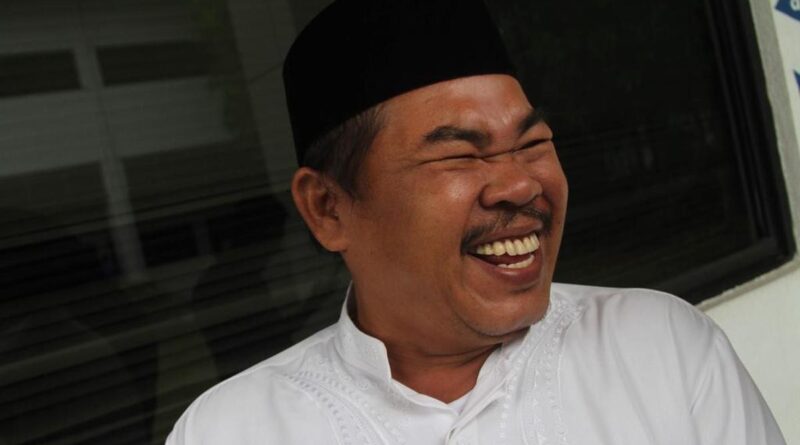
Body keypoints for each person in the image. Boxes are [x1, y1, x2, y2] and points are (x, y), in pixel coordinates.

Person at [166, 0, 786, 443]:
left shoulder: (661, 349)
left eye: (533, 143)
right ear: (328, 209)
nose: (521, 184)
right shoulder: (231, 429)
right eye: (459, 155)